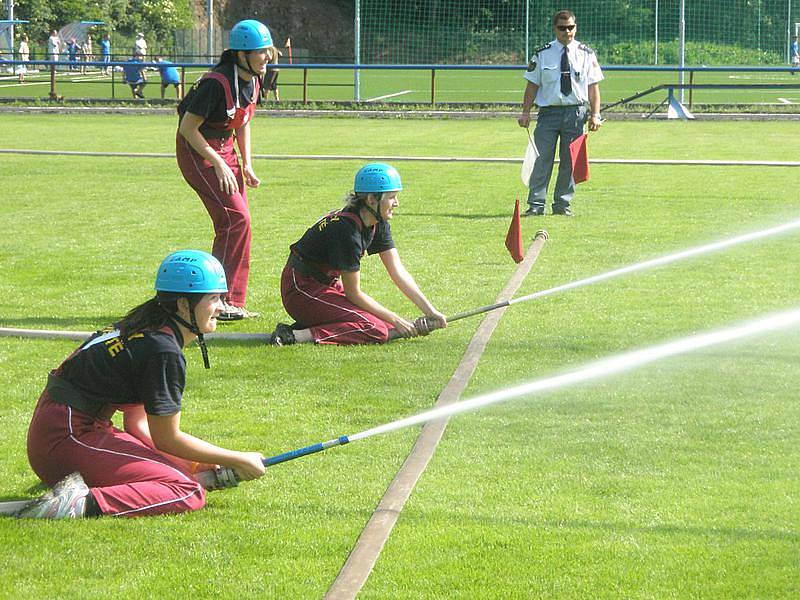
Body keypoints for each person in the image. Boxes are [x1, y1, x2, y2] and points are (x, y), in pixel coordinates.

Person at [14, 250, 266, 519]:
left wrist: (193, 464)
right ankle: (75, 504)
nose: (221, 307)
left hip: (61, 430)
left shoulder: (150, 327)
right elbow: (167, 437)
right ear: (183, 305)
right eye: (214, 298)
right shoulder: (162, 350)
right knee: (186, 491)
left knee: (182, 476)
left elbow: (137, 425)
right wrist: (236, 458)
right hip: (65, 438)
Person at [266, 163, 447, 346]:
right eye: (392, 197)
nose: (397, 203)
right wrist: (396, 319)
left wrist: (430, 312)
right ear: (371, 199)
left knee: (386, 326)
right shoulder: (346, 231)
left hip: (322, 285)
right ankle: (293, 335)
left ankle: (311, 325)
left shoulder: (377, 221)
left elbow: (397, 271)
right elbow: (354, 293)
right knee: (375, 329)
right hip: (301, 289)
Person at [176, 19, 273, 321]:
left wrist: (247, 164)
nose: (267, 57)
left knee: (240, 224)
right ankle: (220, 300)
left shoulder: (255, 79)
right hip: (198, 150)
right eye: (261, 52)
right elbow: (188, 128)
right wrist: (218, 163)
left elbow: (242, 123)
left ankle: (231, 300)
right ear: (241, 54)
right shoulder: (215, 83)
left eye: (268, 51)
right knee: (236, 220)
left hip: (225, 149)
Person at [517, 9, 603, 217]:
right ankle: (536, 204)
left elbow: (593, 87)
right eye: (562, 28)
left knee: (570, 161)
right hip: (548, 115)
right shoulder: (542, 54)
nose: (567, 32)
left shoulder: (586, 54)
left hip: (575, 114)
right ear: (555, 29)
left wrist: (595, 114)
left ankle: (562, 205)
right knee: (541, 159)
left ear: (576, 27)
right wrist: (525, 112)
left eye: (571, 27)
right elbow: (532, 85)